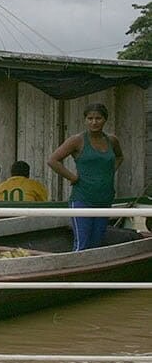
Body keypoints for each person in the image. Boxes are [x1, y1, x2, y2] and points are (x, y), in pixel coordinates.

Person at [47, 102, 123, 251]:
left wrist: (109, 171)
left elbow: (119, 157)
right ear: (85, 120)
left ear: (105, 120)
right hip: (82, 199)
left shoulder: (112, 140)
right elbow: (53, 160)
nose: (94, 122)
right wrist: (73, 178)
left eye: (98, 118)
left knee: (97, 244)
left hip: (104, 199)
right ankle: (73, 267)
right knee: (82, 244)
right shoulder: (77, 140)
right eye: (90, 118)